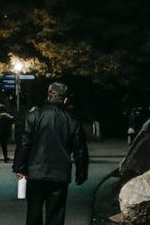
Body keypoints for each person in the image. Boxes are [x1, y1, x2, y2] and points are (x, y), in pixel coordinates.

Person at [12, 82, 89, 225]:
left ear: (48, 95)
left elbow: (24, 144)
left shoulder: (33, 117)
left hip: (35, 172)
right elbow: (80, 150)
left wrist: (19, 167)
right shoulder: (72, 120)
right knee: (56, 214)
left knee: (34, 212)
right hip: (59, 173)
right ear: (65, 99)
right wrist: (81, 172)